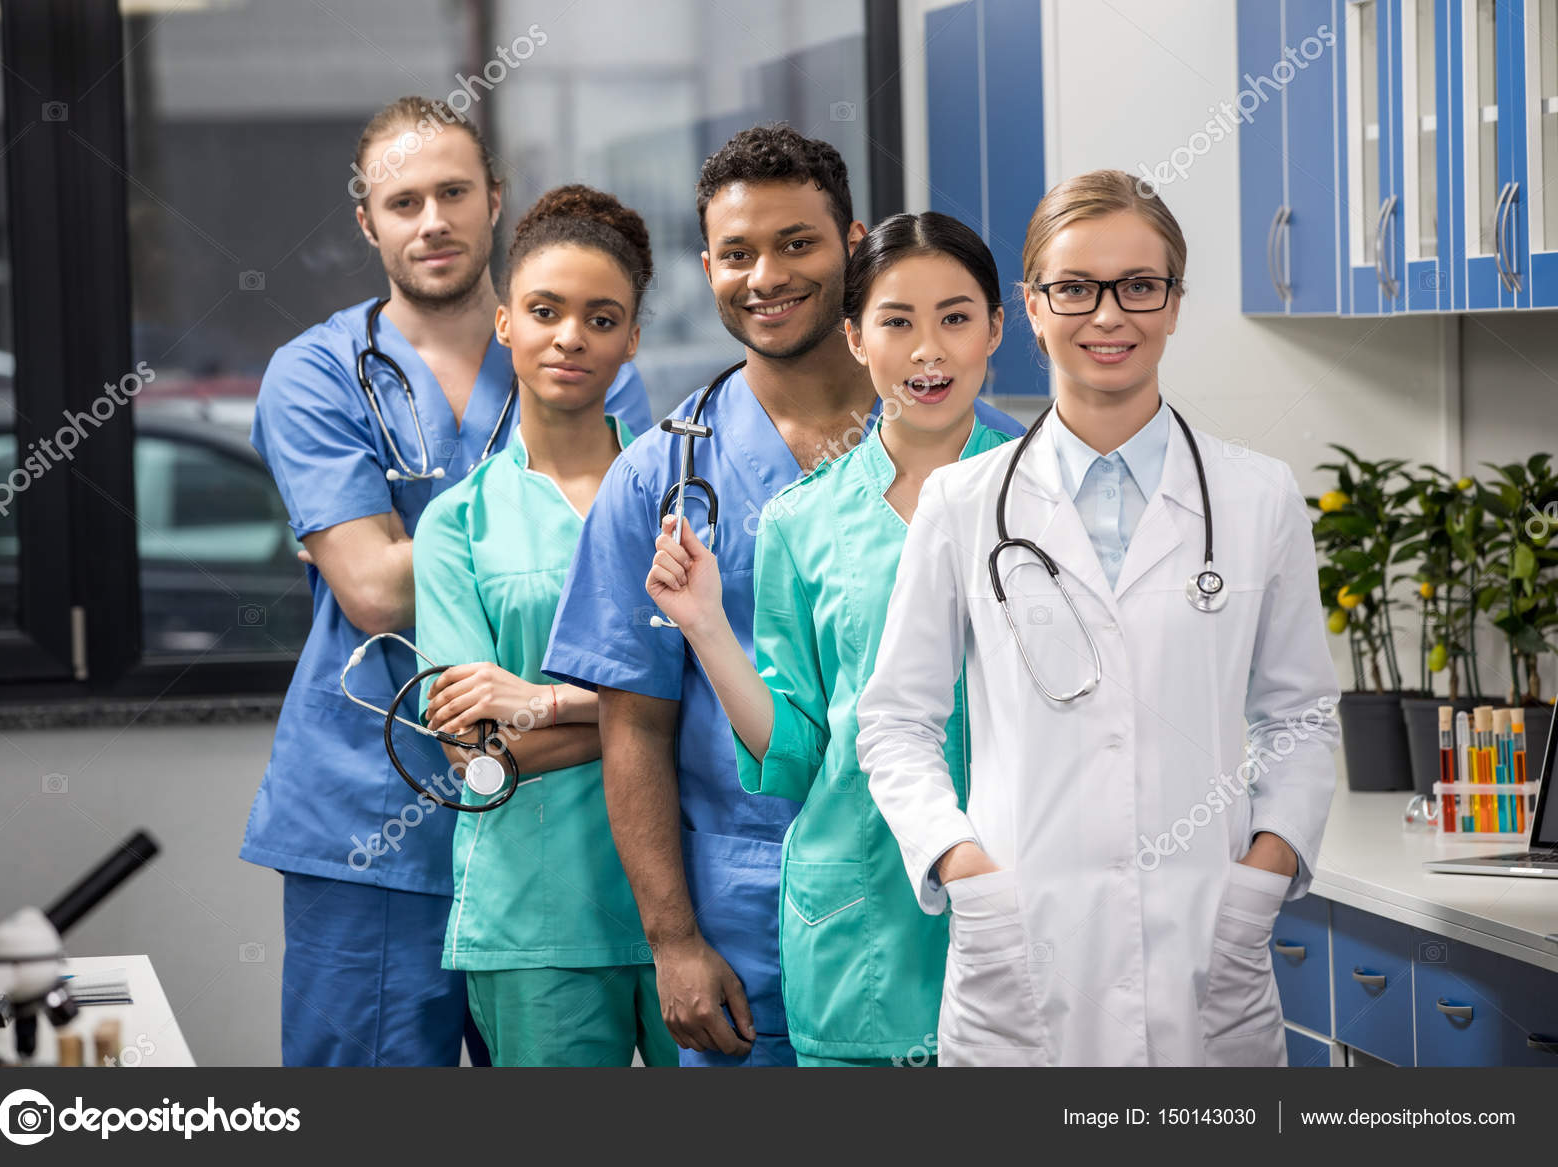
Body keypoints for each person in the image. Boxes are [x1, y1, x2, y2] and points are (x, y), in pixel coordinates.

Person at [542, 125, 1023, 1066]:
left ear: (851, 247)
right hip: (744, 917)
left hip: (976, 891)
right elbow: (632, 723)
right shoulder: (658, 479)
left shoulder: (1004, 463)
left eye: (796, 244)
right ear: (709, 268)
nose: (765, 275)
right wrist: (674, 941)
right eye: (736, 253)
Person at [856, 170, 1340, 1068]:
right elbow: (894, 721)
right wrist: (961, 864)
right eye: (1075, 288)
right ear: (1031, 309)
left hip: (1209, 954)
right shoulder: (965, 503)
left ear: (1173, 303)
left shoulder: (1257, 495)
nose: (1108, 316)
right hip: (1024, 954)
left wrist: (1261, 877)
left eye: (1138, 286)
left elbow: (1300, 717)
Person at [243, 96, 650, 1067]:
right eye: (404, 200)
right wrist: (502, 527)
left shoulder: (576, 341)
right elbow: (375, 595)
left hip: (564, 805)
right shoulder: (314, 374)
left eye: (454, 192)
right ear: (367, 222)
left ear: (494, 199)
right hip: (374, 813)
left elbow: (632, 572)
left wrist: (399, 539)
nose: (432, 220)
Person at [409, 185, 676, 1067]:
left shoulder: (682, 495)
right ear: (503, 324)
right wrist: (655, 715)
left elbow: (744, 700)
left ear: (632, 339)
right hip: (536, 912)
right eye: (545, 311)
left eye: (602, 318)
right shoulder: (457, 524)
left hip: (691, 900)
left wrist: (544, 699)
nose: (571, 337)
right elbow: (480, 758)